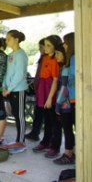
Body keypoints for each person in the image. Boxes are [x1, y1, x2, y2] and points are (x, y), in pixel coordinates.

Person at [32, 35, 62, 156]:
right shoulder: (44, 58)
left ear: (55, 46)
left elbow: (55, 80)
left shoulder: (56, 59)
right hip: (43, 90)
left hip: (51, 91)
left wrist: (49, 98)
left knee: (55, 121)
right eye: (45, 45)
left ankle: (55, 146)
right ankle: (46, 141)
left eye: (49, 45)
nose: (45, 47)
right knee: (47, 119)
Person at [2, 30, 28, 153]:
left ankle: (21, 142)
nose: (6, 41)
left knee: (20, 116)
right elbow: (8, 73)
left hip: (19, 90)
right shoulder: (11, 54)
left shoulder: (21, 55)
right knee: (16, 115)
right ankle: (18, 140)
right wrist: (4, 86)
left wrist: (9, 89)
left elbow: (19, 74)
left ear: (16, 39)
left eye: (8, 38)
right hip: (10, 90)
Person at [54, 32, 75, 165]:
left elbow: (64, 88)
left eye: (66, 43)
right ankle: (72, 152)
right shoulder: (71, 61)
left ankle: (68, 154)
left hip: (69, 103)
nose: (64, 45)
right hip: (72, 102)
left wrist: (57, 105)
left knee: (67, 129)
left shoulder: (71, 61)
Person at [25, 38, 46, 141]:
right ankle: (35, 133)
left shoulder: (49, 59)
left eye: (41, 47)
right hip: (39, 90)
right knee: (38, 113)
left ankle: (47, 138)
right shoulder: (42, 58)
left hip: (45, 91)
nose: (40, 49)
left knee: (45, 116)